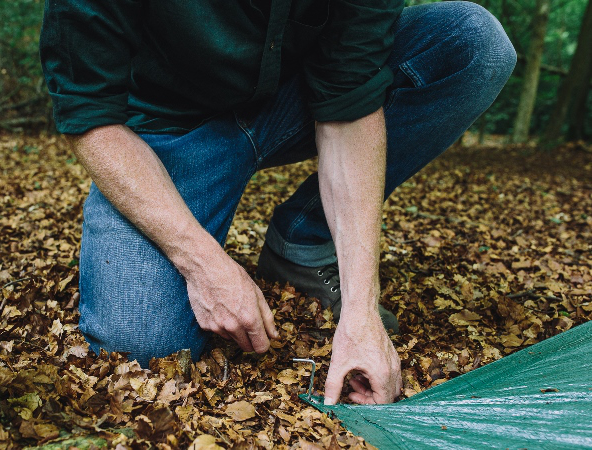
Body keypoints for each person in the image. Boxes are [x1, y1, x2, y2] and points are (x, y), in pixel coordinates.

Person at [40, 0, 516, 405]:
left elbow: (349, 97)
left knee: (471, 43)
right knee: (142, 347)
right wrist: (203, 264)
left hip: (294, 99)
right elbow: (90, 115)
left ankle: (304, 243)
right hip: (166, 131)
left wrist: (360, 312)